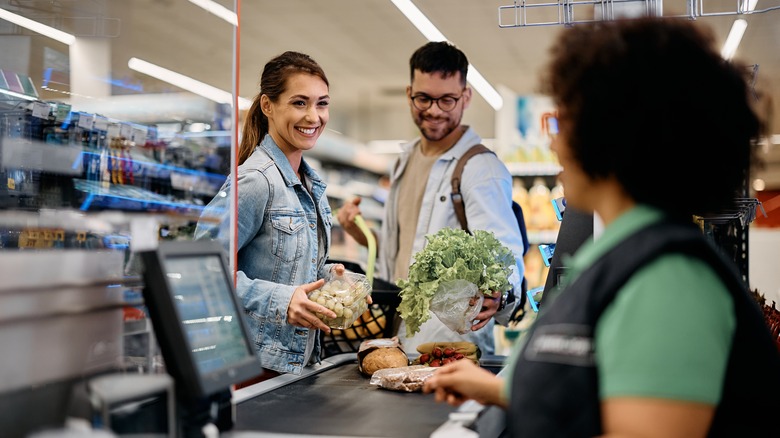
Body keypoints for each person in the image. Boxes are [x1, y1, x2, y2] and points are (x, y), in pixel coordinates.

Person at [423, 17, 780, 437]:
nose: (554, 141)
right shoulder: (622, 252)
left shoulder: (670, 281)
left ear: (614, 135)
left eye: (566, 120)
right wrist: (501, 390)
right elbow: (600, 397)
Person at [336, 41, 526, 355]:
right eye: (424, 98)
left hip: (451, 346)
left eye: (447, 100)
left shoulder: (480, 168)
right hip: (397, 337)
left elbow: (504, 255)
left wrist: (499, 295)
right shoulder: (404, 160)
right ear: (409, 93)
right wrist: (363, 234)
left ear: (466, 97)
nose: (434, 110)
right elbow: (407, 255)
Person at [195, 51, 363, 379]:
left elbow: (280, 266)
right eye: (300, 103)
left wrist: (332, 281)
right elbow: (203, 270)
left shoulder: (309, 183)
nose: (313, 117)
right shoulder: (256, 180)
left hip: (295, 365)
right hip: (252, 367)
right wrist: (283, 300)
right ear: (268, 106)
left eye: (322, 103)